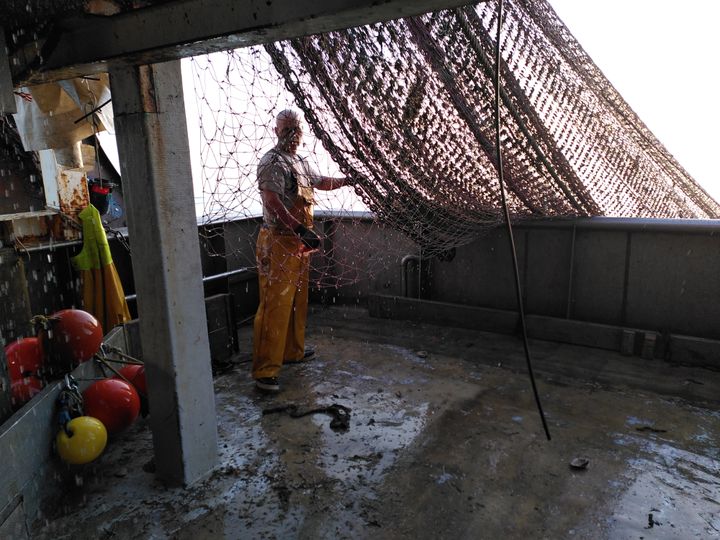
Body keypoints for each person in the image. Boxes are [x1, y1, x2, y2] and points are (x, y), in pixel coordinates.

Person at [252, 109, 350, 392]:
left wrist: (348, 180)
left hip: (298, 243)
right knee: (275, 305)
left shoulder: (302, 162)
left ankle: (292, 351)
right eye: (286, 130)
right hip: (279, 240)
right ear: (276, 132)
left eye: (296, 130)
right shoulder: (272, 162)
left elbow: (322, 182)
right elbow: (271, 200)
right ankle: (265, 370)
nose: (292, 135)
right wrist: (298, 228)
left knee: (297, 299)